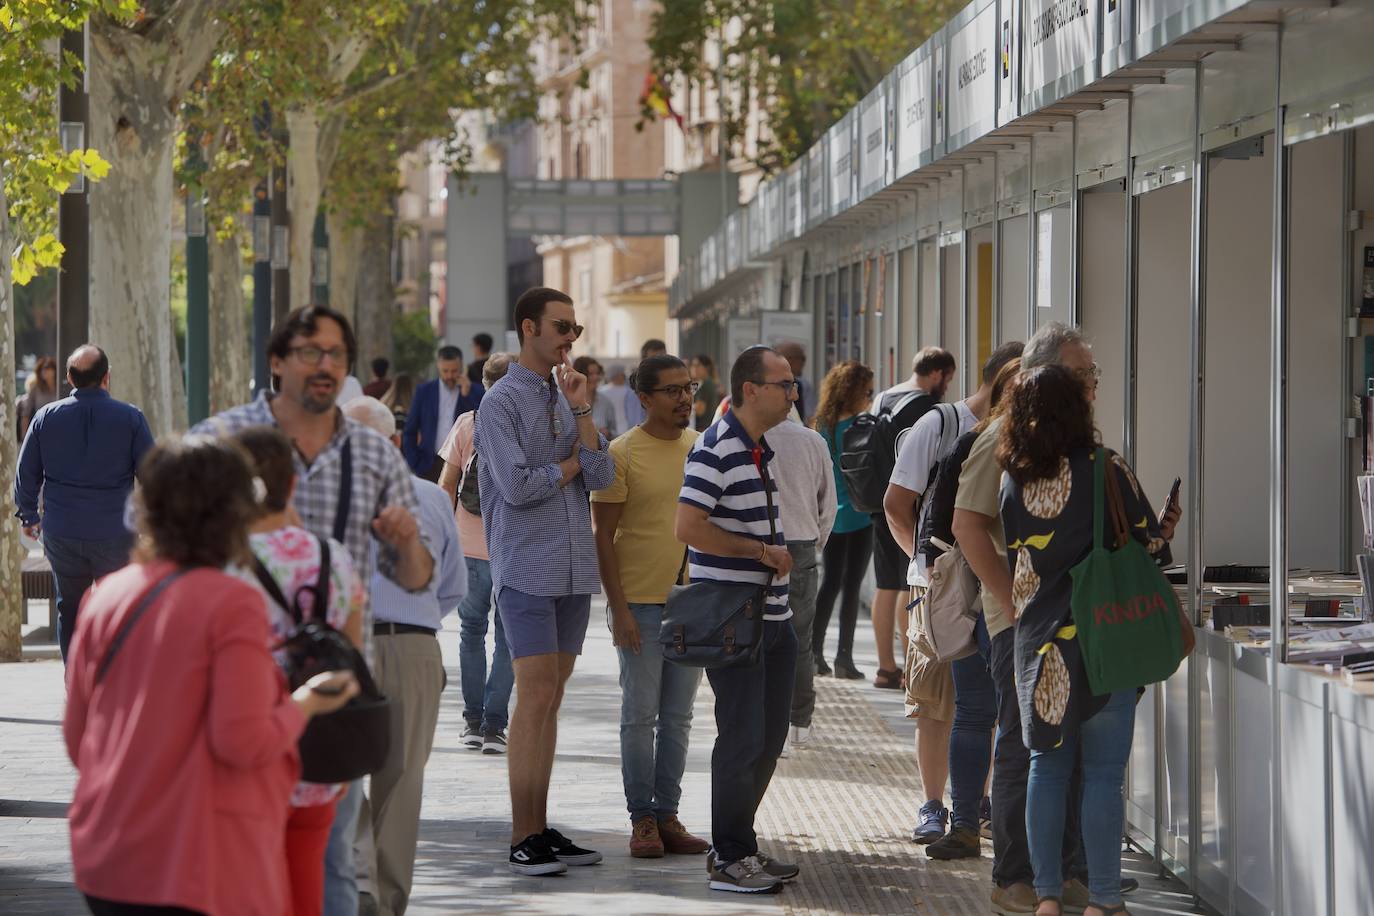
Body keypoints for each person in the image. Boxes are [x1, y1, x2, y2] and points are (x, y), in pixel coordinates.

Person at [192, 304, 434, 916]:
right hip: (233, 697)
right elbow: (156, 532)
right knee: (237, 857)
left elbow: (415, 577)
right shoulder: (222, 439)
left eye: (336, 355)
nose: (325, 366)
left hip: (331, 701)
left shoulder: (375, 457)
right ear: (277, 362)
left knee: (327, 859)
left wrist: (407, 540)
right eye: (310, 352)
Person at [63, 434, 358, 916]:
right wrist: (305, 703)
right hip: (200, 862)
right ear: (235, 511)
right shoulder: (229, 603)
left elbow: (80, 741)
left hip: (108, 856)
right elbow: (243, 741)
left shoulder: (106, 597)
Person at [997, 364, 1173, 916]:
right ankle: (1101, 900)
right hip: (1104, 642)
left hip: (1040, 646)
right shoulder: (1105, 467)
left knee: (1045, 769)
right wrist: (1162, 533)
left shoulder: (1013, 477)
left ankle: (1047, 897)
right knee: (1101, 775)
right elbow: (1149, 546)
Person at [473, 286, 614, 876]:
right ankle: (520, 833)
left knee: (550, 700)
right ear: (528, 327)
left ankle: (540, 823)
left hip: (574, 567)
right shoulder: (499, 403)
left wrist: (582, 414)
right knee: (532, 698)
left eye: (576, 329)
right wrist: (574, 462)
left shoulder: (570, 395)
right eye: (562, 326)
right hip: (527, 568)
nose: (570, 338)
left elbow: (603, 474)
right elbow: (517, 486)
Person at [885, 342, 1023, 848]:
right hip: (953, 591)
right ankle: (943, 809)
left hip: (968, 591)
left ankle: (972, 815)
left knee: (971, 708)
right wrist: (926, 574)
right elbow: (904, 508)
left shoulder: (998, 440)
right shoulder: (953, 430)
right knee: (944, 706)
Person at [675, 345, 799, 895]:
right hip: (735, 619)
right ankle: (728, 858)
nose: (794, 393)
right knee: (742, 739)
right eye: (785, 384)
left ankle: (740, 847)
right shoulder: (717, 447)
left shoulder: (758, 447)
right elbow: (688, 527)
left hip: (774, 617)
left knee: (769, 740)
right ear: (752, 389)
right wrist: (757, 552)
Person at [233, 425, 366, 916]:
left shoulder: (217, 563)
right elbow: (352, 657)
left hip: (244, 755)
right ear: (291, 485)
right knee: (311, 884)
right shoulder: (332, 557)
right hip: (318, 751)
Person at [344, 396, 467, 916]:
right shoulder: (430, 499)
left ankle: (361, 885)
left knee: (339, 774)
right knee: (401, 777)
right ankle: (383, 899)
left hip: (344, 647)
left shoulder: (319, 498)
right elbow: (451, 588)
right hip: (411, 642)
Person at [590, 355, 711, 859]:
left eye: (689, 387)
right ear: (644, 398)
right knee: (640, 715)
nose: (685, 398)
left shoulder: (702, 448)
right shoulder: (622, 454)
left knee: (679, 718)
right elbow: (603, 534)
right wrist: (617, 610)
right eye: (673, 391)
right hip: (639, 604)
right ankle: (641, 817)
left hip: (695, 603)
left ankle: (668, 815)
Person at [13, 345, 153, 662]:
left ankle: (76, 684)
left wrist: (29, 516)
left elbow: (26, 473)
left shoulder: (45, 418)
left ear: (69, 378)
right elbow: (153, 475)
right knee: (119, 608)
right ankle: (114, 680)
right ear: (107, 377)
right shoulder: (131, 418)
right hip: (116, 531)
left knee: (70, 608)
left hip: (62, 530)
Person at [439, 353, 517, 755]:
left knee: (471, 632)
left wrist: (441, 536)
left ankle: (472, 721)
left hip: (467, 544)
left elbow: (447, 484)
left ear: (483, 384)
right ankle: (494, 726)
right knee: (509, 638)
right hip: (513, 548)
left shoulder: (468, 423)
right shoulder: (527, 426)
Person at [868, 348, 957, 692]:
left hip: (880, 504)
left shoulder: (882, 398)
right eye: (947, 378)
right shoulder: (923, 408)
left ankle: (885, 666)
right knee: (909, 585)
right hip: (909, 508)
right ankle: (910, 667)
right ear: (936, 374)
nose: (947, 386)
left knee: (884, 586)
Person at [765, 413, 836, 757]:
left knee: (757, 637)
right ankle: (799, 723)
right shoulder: (813, 441)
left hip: (754, 545)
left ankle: (765, 724)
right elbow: (829, 504)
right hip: (801, 544)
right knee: (800, 640)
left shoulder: (748, 436)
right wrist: (813, 542)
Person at [810, 360, 877, 681]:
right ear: (855, 392)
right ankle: (844, 659)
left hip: (831, 517)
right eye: (868, 390)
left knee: (829, 585)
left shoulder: (822, 425)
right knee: (851, 589)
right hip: (861, 516)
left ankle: (814, 653)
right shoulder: (863, 425)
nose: (870, 396)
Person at [403, 345, 484, 482]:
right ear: (438, 367)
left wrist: (466, 396)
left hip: (462, 467)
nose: (449, 376)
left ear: (461, 367)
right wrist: (414, 462)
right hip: (428, 464)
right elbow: (410, 430)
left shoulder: (475, 391)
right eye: (445, 371)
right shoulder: (424, 391)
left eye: (454, 371)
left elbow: (480, 424)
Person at [623, 339, 668, 428]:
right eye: (654, 359)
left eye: (663, 358)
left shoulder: (665, 383)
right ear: (643, 360)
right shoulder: (637, 387)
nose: (660, 363)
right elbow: (636, 424)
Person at [16, 354, 57, 440]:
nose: (44, 371)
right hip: (40, 430)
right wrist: (25, 436)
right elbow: (26, 414)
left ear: (54, 370)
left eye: (47, 367)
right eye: (41, 369)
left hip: (59, 428)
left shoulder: (62, 387)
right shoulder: (36, 389)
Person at [574, 356, 614, 440]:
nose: (596, 377)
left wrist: (608, 433)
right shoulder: (565, 401)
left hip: (599, 450)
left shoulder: (606, 401)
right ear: (580, 375)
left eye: (597, 373)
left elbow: (614, 432)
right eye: (591, 374)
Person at [776, 342, 814, 426]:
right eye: (802, 358)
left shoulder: (804, 384)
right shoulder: (802, 385)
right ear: (790, 360)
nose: (804, 363)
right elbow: (810, 417)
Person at [690, 354, 719, 432]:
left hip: (703, 429)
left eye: (697, 365)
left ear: (706, 368)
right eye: (692, 365)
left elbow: (700, 411)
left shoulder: (707, 384)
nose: (694, 368)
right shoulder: (699, 383)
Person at [601, 365, 631, 437]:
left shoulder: (629, 391)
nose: (623, 376)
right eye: (621, 374)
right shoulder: (602, 391)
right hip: (613, 428)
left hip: (623, 427)